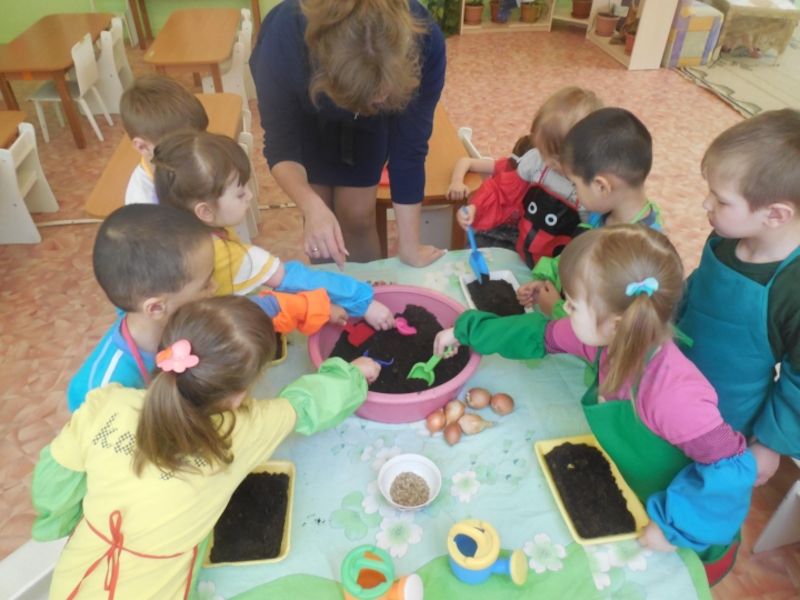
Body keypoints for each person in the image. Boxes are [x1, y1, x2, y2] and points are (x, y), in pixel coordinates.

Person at [434, 225, 756, 585]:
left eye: (572, 304)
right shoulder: (605, 340)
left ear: (617, 323)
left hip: (691, 527)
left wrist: (674, 527)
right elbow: (537, 333)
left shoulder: (675, 396)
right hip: (632, 492)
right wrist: (465, 331)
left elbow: (731, 471)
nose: (563, 308)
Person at [33, 296, 380, 599]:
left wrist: (65, 521)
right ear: (238, 395)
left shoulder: (105, 403)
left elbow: (52, 485)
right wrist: (353, 373)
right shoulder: (242, 431)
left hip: (74, 580)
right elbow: (308, 403)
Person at [67, 204, 337, 412]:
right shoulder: (101, 390)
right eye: (206, 284)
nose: (216, 287)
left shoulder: (179, 314)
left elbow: (248, 311)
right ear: (157, 308)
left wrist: (313, 307)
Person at [250, 0, 446, 268]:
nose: (374, 102)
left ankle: (369, 289)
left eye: (381, 95)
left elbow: (409, 151)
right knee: (321, 216)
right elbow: (281, 148)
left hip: (359, 108)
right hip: (307, 113)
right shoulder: (285, 39)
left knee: (357, 216)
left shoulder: (425, 40)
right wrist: (311, 206)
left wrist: (410, 247)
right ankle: (330, 288)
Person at [153, 130, 394, 330]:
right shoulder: (228, 255)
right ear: (204, 211)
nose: (250, 195)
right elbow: (298, 279)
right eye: (240, 193)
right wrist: (363, 302)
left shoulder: (167, 231)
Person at [677, 109, 800, 487]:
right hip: (671, 381)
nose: (706, 204)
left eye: (721, 200)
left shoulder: (793, 288)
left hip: (723, 422)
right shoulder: (724, 237)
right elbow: (697, 292)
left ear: (775, 215)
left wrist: (771, 443)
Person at [517, 107, 663, 319]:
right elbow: (576, 257)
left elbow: (607, 326)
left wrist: (557, 309)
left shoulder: (640, 254)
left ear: (601, 186)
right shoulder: (602, 212)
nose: (575, 192)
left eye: (575, 184)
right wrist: (548, 281)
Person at [452, 87, 604, 269]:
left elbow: (587, 244)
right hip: (523, 247)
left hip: (557, 267)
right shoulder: (535, 161)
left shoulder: (591, 190)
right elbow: (503, 191)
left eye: (554, 158)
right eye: (541, 150)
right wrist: (476, 207)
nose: (546, 161)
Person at [120, 75, 209, 206]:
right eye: (181, 145)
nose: (196, 147)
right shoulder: (145, 204)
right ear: (143, 147)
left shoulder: (189, 158)